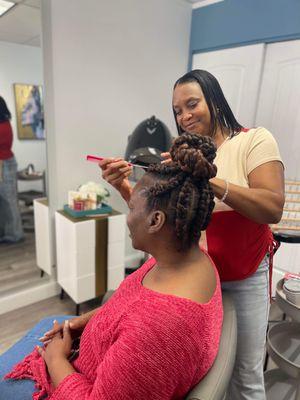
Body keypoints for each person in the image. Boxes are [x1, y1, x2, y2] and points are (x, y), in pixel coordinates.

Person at [99, 70, 285, 400]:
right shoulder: (180, 154)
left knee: (246, 373)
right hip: (198, 280)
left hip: (245, 275)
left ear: (214, 99)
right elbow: (155, 220)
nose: (184, 116)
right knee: (212, 371)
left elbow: (272, 207)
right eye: (177, 110)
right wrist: (122, 185)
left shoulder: (253, 140)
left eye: (192, 104)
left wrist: (209, 179)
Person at [0, 134, 223, 400]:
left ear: (155, 221)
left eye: (132, 207)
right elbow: (126, 307)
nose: (128, 218)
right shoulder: (188, 261)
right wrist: (79, 323)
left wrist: (56, 360)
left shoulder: (157, 329)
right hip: (88, 352)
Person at [0, 96, 24, 243]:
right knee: (4, 201)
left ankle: (15, 234)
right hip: (4, 163)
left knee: (9, 200)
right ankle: (6, 232)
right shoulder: (4, 123)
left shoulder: (3, 125)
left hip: (5, 164)